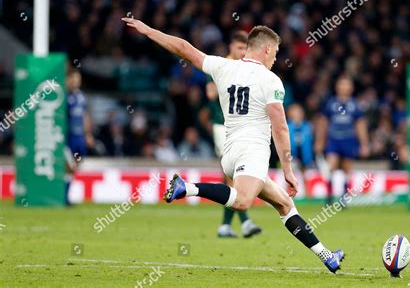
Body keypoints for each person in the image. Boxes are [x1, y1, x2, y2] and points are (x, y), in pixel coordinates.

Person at [122, 17, 344, 273]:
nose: (275, 59)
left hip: (230, 154)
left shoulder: (223, 66)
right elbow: (280, 127)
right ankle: (187, 187)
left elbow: (184, 48)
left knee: (284, 204)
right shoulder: (270, 80)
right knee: (242, 202)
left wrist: (150, 31)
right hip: (252, 152)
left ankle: (327, 256)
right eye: (276, 53)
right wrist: (288, 169)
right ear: (268, 49)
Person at [206, 30, 262, 238]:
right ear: (231, 47)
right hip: (223, 127)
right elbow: (210, 92)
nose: (242, 52)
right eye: (239, 48)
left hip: (241, 128)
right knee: (234, 176)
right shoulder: (223, 66)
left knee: (232, 177)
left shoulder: (246, 68)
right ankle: (244, 222)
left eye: (245, 49)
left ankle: (226, 226)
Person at [315, 74, 370, 206]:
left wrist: (364, 144)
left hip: (349, 139)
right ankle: (329, 197)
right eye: (341, 84)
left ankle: (344, 198)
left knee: (346, 169)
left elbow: (360, 124)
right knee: (331, 166)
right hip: (334, 139)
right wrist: (319, 141)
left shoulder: (354, 104)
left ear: (351, 88)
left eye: (347, 84)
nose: (344, 87)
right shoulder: (331, 103)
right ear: (337, 87)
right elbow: (323, 123)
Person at [64, 69, 94, 205]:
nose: (76, 82)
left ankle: (66, 195)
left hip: (79, 138)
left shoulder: (81, 97)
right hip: (67, 138)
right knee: (68, 166)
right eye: (74, 79)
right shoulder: (62, 96)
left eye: (78, 79)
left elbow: (85, 116)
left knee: (74, 166)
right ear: (67, 80)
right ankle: (64, 197)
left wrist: (88, 134)